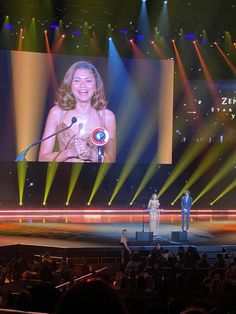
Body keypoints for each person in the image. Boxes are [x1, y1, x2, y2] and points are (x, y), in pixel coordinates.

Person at [38, 61, 116, 162]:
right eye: (77, 80)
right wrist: (69, 153)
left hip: (95, 177)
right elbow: (43, 158)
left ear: (96, 86)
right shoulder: (57, 113)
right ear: (70, 86)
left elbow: (111, 160)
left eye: (88, 81)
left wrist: (92, 155)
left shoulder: (107, 117)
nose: (82, 85)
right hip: (63, 175)